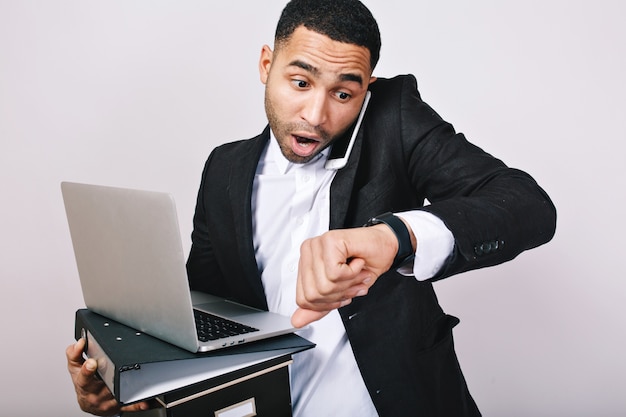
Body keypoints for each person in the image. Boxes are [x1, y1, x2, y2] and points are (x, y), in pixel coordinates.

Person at [66, 0, 557, 416]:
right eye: (300, 83)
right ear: (266, 65)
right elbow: (201, 312)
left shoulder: (395, 120)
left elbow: (526, 204)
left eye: (343, 93)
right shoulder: (225, 167)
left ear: (366, 90)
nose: (317, 115)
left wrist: (394, 236)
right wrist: (138, 390)